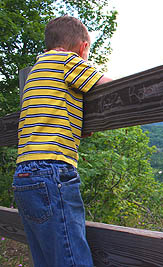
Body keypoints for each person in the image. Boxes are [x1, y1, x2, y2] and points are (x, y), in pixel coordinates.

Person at [12, 16, 112, 267]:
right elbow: (110, 87)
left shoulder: (37, 72)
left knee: (48, 259)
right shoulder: (68, 61)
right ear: (83, 47)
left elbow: (51, 113)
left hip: (25, 175)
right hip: (52, 172)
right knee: (71, 259)